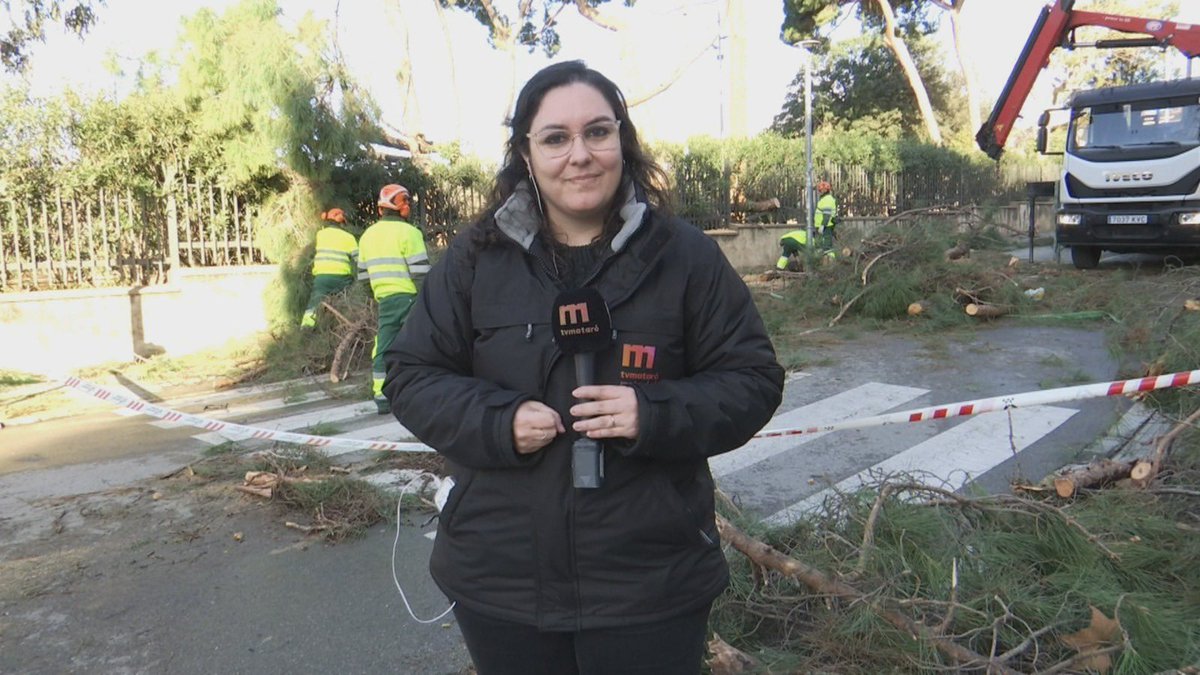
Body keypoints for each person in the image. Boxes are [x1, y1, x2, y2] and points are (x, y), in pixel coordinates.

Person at [383, 61, 784, 675]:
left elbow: (752, 379)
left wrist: (652, 413)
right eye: (555, 138)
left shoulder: (685, 257)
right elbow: (411, 374)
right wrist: (498, 421)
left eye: (598, 132)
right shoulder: (474, 259)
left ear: (622, 139)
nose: (580, 155)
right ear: (525, 152)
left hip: (651, 585)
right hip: (501, 581)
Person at [359, 184, 428, 414]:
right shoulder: (410, 233)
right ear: (396, 207)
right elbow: (421, 274)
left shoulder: (367, 236)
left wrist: (378, 296)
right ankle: (421, 392)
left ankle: (381, 395)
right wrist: (428, 301)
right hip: (410, 298)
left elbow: (362, 277)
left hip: (385, 300)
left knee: (384, 347)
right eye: (405, 201)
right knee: (420, 346)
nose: (407, 205)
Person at [300, 208, 359, 328]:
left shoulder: (321, 234)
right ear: (343, 222)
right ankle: (344, 328)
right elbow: (359, 260)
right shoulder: (349, 237)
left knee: (314, 304)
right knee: (346, 304)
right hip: (342, 279)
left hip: (322, 278)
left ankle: (306, 328)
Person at [814, 179, 838, 254]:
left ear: (824, 190)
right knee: (823, 246)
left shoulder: (827, 200)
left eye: (820, 190)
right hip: (825, 226)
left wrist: (822, 226)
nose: (819, 192)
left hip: (826, 226)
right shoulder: (825, 199)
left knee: (827, 247)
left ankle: (831, 263)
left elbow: (826, 215)